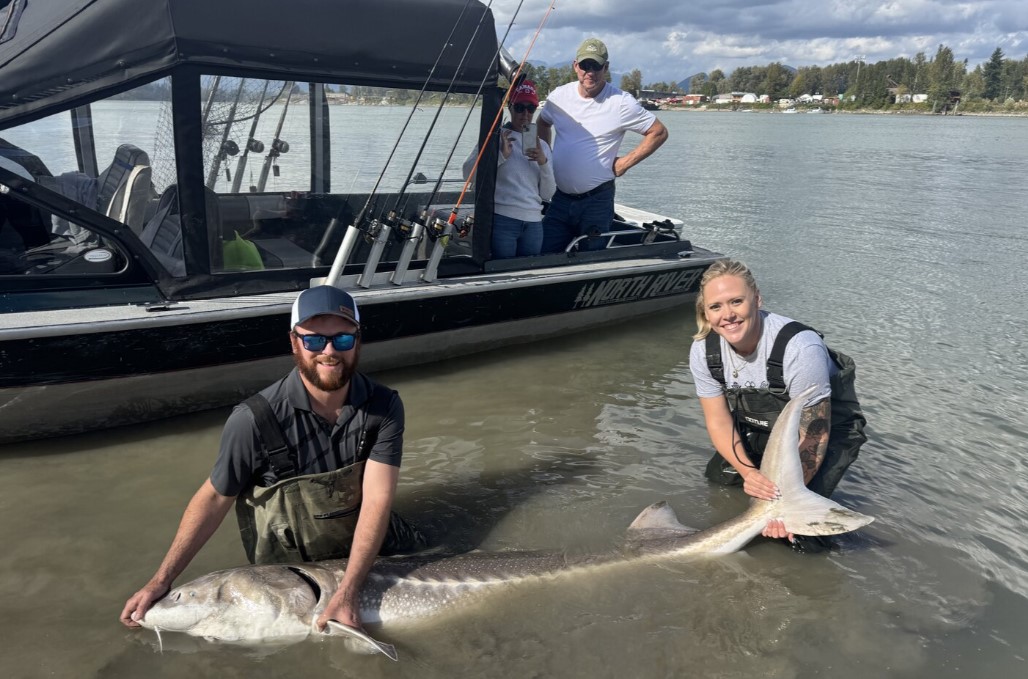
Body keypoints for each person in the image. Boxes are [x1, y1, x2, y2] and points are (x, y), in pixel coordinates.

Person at [120, 285, 425, 632]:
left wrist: (349, 589)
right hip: (289, 575)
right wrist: (161, 580)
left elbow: (377, 498)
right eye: (313, 341)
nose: (329, 352)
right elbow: (215, 498)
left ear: (358, 340)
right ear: (294, 343)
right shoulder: (253, 419)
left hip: (369, 555)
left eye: (342, 340)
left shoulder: (383, 406)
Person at [687, 259, 867, 553]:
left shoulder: (799, 348)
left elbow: (815, 434)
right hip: (763, 423)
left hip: (826, 429)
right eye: (716, 306)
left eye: (736, 301)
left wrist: (776, 502)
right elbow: (718, 420)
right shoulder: (704, 349)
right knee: (719, 484)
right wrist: (749, 474)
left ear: (757, 299)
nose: (728, 315)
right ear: (705, 312)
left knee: (802, 541)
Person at [536, 37, 668, 254]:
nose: (590, 72)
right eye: (585, 65)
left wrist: (624, 163)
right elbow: (543, 122)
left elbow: (659, 132)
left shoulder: (621, 102)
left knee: (591, 259)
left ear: (605, 68)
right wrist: (546, 156)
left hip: (596, 201)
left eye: (596, 66)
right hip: (559, 197)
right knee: (542, 253)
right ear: (575, 66)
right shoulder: (559, 96)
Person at [463, 79, 554, 259]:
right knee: (501, 273)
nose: (525, 114)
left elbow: (547, 194)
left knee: (528, 276)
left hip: (534, 224)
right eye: (520, 107)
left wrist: (543, 162)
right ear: (510, 108)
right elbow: (468, 174)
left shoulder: (541, 145)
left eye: (531, 108)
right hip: (503, 221)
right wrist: (500, 156)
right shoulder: (495, 138)